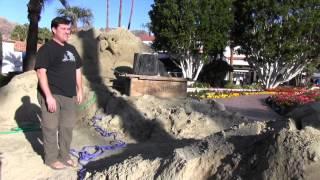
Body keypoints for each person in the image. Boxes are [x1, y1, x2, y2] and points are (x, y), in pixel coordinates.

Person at [35, 16, 83, 170]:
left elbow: (77, 69)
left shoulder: (72, 49)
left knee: (67, 127)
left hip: (69, 95)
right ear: (54, 30)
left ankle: (64, 155)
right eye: (63, 28)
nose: (66, 32)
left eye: (68, 29)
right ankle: (51, 159)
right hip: (52, 94)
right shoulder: (47, 49)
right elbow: (41, 73)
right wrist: (48, 97)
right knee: (50, 127)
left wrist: (80, 89)